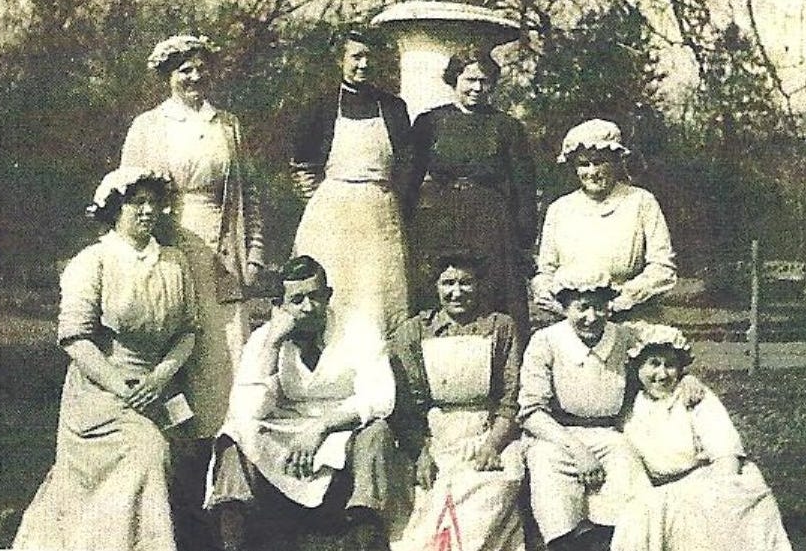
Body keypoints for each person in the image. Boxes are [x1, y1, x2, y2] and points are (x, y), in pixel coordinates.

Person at [122, 34, 267, 550]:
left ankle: (226, 506)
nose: (194, 78)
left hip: (221, 258)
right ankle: (165, 504)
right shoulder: (148, 127)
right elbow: (128, 197)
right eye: (184, 70)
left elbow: (249, 198)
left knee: (222, 376)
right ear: (167, 74)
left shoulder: (227, 125)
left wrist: (251, 258)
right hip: (169, 251)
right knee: (172, 367)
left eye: (201, 69)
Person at [13, 168, 199, 551]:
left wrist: (160, 378)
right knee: (147, 449)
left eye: (154, 203)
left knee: (178, 457)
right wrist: (123, 387)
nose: (148, 212)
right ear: (115, 209)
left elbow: (187, 332)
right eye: (137, 203)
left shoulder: (174, 263)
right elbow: (76, 340)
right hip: (100, 391)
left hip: (157, 388)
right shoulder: (93, 262)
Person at [205, 255, 397, 551]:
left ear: (328, 295)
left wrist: (321, 427)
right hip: (287, 432)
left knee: (377, 432)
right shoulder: (263, 339)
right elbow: (247, 410)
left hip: (341, 430)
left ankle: (365, 533)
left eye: (316, 296)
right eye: (297, 300)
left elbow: (381, 397)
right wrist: (273, 344)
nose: (309, 307)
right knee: (234, 435)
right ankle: (233, 538)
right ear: (279, 305)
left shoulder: (358, 329)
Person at [611, 324, 793, 551]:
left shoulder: (694, 396)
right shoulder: (628, 405)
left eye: (671, 365)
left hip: (708, 477)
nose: (662, 374)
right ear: (638, 366)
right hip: (662, 489)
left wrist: (720, 490)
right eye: (654, 364)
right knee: (640, 515)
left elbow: (725, 450)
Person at [389, 251, 525, 551]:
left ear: (479, 286)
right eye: (448, 283)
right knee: (428, 500)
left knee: (492, 487)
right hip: (434, 435)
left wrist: (492, 444)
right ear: (435, 286)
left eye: (466, 283)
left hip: (487, 430)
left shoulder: (500, 327)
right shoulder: (415, 331)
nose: (457, 292)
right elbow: (407, 406)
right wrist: (421, 452)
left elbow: (511, 397)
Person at [407, 48, 536, 340]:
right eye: (470, 79)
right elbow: (408, 181)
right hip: (440, 222)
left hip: (490, 223)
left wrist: (523, 240)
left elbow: (523, 188)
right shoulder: (429, 123)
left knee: (490, 293)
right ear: (455, 79)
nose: (478, 88)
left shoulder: (507, 127)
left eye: (485, 81)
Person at [291, 28, 412, 337]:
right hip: (332, 218)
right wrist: (323, 206)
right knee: (335, 293)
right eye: (356, 56)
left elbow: (407, 167)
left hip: (379, 214)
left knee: (378, 295)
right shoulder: (321, 107)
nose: (364, 64)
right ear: (340, 60)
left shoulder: (394, 108)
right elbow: (303, 166)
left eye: (370, 57)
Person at [518, 276, 652, 551]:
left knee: (630, 494)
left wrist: (687, 379)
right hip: (555, 435)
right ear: (566, 308)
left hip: (608, 434)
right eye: (582, 308)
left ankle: (613, 541)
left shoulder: (625, 337)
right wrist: (578, 450)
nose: (591, 317)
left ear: (609, 307)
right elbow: (531, 411)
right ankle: (566, 543)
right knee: (549, 475)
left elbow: (665, 351)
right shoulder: (545, 341)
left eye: (599, 307)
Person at [532, 119, 676, 319]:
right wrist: (562, 303)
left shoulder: (641, 202)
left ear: (617, 162)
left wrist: (621, 300)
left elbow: (662, 267)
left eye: (599, 162)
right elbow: (545, 271)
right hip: (573, 317)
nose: (592, 172)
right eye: (584, 164)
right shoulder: (559, 209)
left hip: (629, 314)